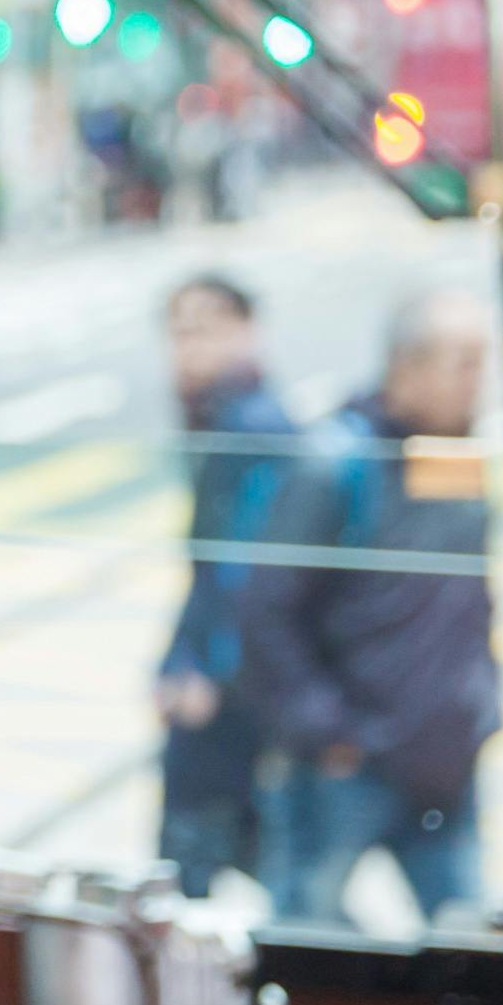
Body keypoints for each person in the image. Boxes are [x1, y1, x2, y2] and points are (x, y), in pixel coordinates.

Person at [240, 288, 502, 929]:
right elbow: (264, 610)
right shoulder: (336, 462)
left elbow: (466, 597)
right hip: (347, 766)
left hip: (442, 760)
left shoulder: (452, 455)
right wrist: (329, 732)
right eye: (462, 363)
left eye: (481, 363)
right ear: (405, 367)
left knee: (471, 949)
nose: (479, 383)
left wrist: (481, 710)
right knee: (310, 945)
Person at [154, 275, 293, 894]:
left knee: (192, 857)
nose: (187, 348)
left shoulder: (251, 425)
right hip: (239, 673)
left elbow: (239, 570)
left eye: (204, 330)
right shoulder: (220, 415)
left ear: (247, 332)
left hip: (231, 682)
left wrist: (198, 666)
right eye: (178, 333)